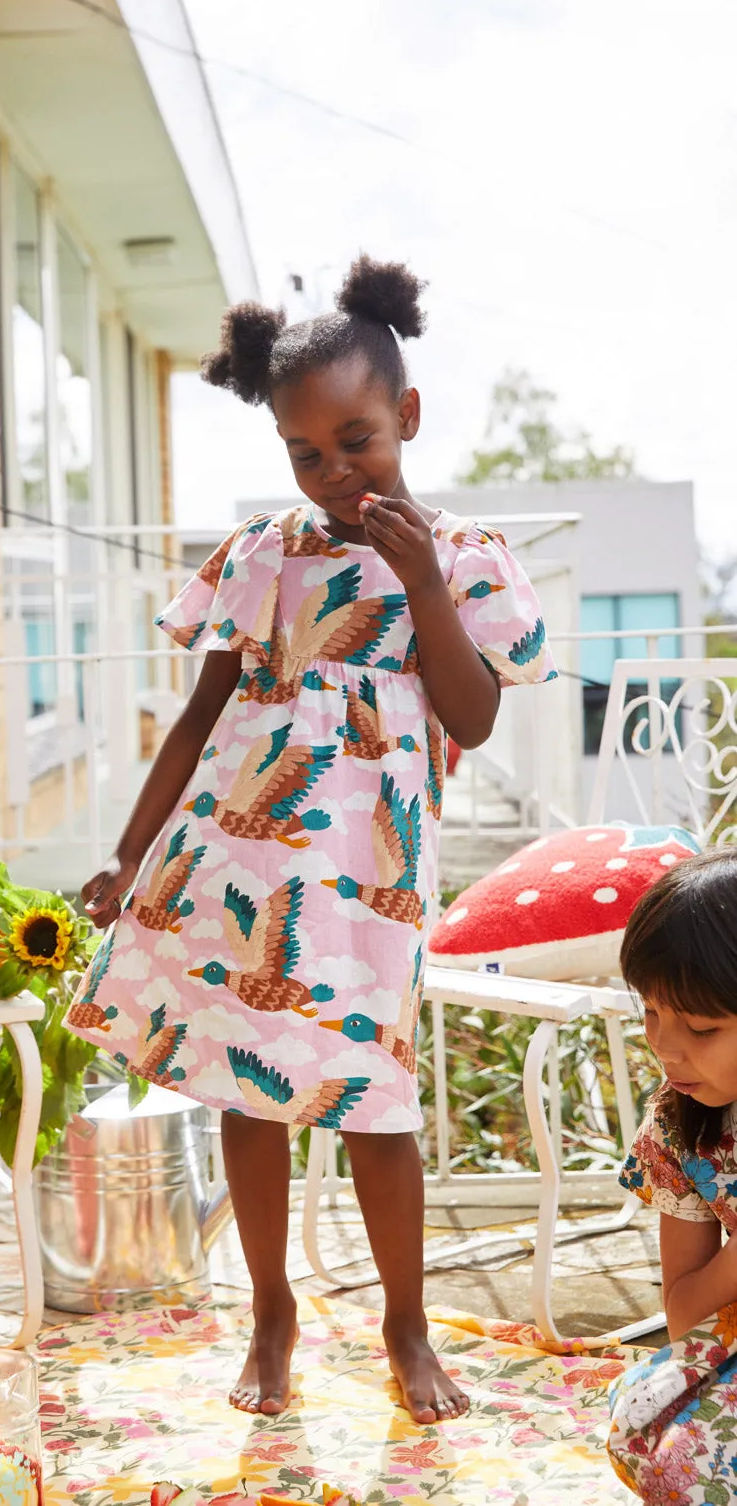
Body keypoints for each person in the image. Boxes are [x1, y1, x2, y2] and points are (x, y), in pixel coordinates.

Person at [66, 256, 556, 1424]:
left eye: (358, 441)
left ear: (408, 420)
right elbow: (197, 717)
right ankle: (271, 1308)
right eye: (307, 454)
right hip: (242, 855)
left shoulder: (464, 559)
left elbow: (474, 717)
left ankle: (403, 1322)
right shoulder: (263, 555)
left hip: (371, 874)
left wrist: (421, 583)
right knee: (247, 1087)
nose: (337, 473)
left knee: (373, 1098)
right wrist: (130, 853)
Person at [608, 850, 737, 1500]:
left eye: (702, 1027)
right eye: (651, 1012)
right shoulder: (680, 1129)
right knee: (647, 1429)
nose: (665, 1046)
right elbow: (684, 1313)